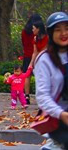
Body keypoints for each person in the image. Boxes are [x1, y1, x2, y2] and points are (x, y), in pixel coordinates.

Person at [34, 11, 68, 148]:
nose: (63, 33)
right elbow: (42, 97)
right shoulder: (45, 60)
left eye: (66, 28)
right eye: (58, 30)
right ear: (50, 33)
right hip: (59, 118)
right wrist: (62, 114)